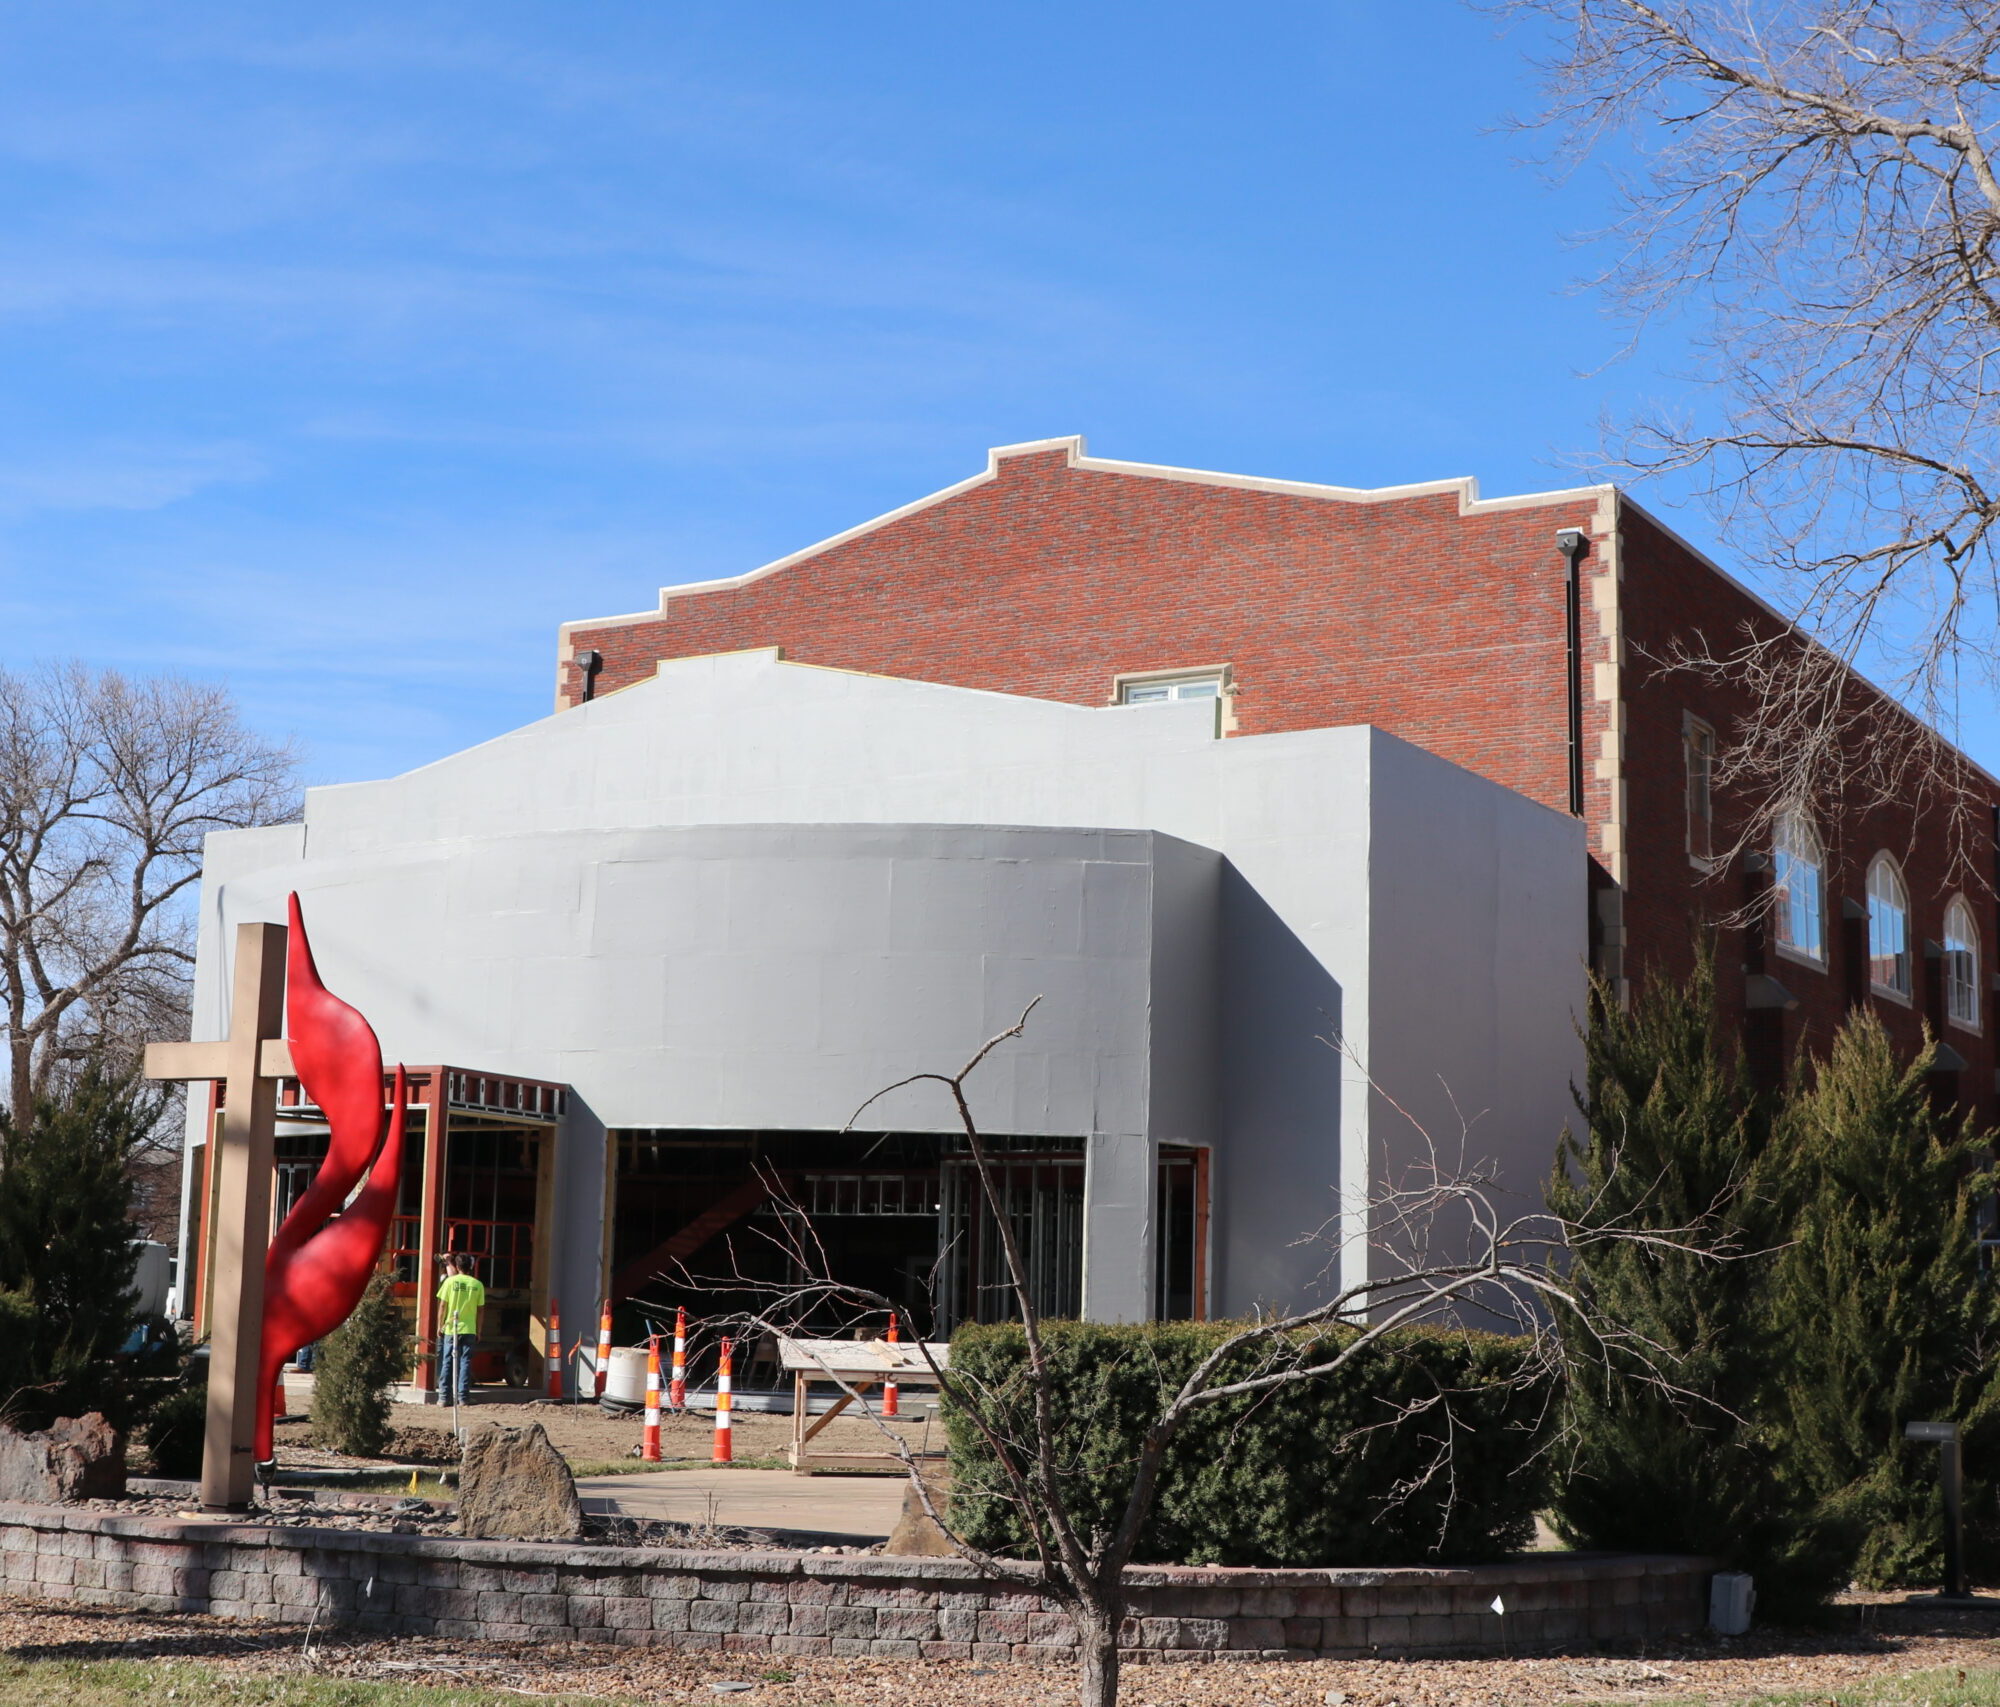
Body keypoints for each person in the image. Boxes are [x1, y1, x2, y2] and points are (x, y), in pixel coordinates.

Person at [435, 1253, 485, 1408]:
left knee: (447, 1361)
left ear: (456, 1267)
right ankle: (463, 1398)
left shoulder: (450, 1282)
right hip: (469, 1329)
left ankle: (444, 1398)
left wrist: (439, 1325)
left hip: (451, 1328)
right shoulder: (477, 1285)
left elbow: (442, 1306)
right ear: (471, 1267)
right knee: (465, 1362)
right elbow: (481, 1310)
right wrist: (479, 1330)